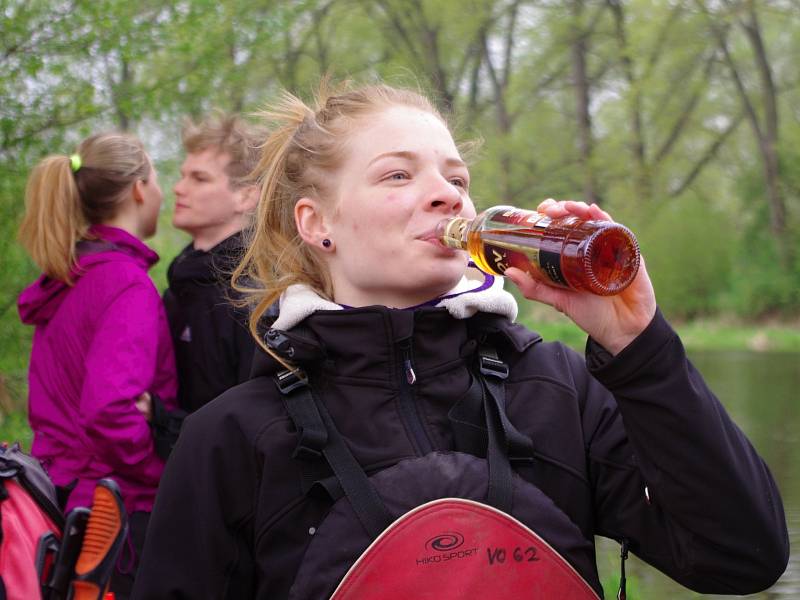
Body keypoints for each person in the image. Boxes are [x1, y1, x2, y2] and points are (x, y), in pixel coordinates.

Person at [133, 82, 789, 599]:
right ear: (317, 222)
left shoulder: (559, 391)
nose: (447, 196)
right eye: (398, 175)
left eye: (457, 179)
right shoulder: (233, 437)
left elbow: (742, 557)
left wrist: (638, 345)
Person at [17, 132, 178, 598]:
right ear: (139, 190)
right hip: (113, 516)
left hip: (58, 499)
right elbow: (108, 410)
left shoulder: (69, 277)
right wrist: (160, 475)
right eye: (158, 177)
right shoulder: (124, 283)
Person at [163, 112, 262, 413]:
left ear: (245, 197)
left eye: (199, 178)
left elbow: (253, 424)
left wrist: (161, 422)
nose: (179, 188)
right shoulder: (181, 287)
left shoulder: (255, 298)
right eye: (183, 175)